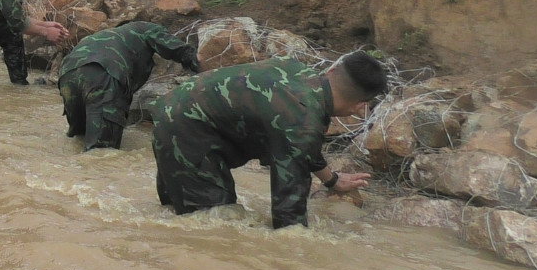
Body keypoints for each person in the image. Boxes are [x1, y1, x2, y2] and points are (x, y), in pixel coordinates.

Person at [152, 50, 388, 229]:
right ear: (360, 106)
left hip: (175, 109)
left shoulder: (299, 72)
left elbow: (302, 148)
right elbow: (288, 212)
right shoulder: (304, 120)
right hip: (187, 131)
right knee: (213, 225)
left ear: (331, 72)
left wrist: (331, 180)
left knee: (175, 212)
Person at [59, 21, 200, 151]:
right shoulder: (147, 28)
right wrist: (199, 64)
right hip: (105, 73)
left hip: (67, 73)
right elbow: (178, 49)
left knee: (80, 137)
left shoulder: (110, 34)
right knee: (101, 152)